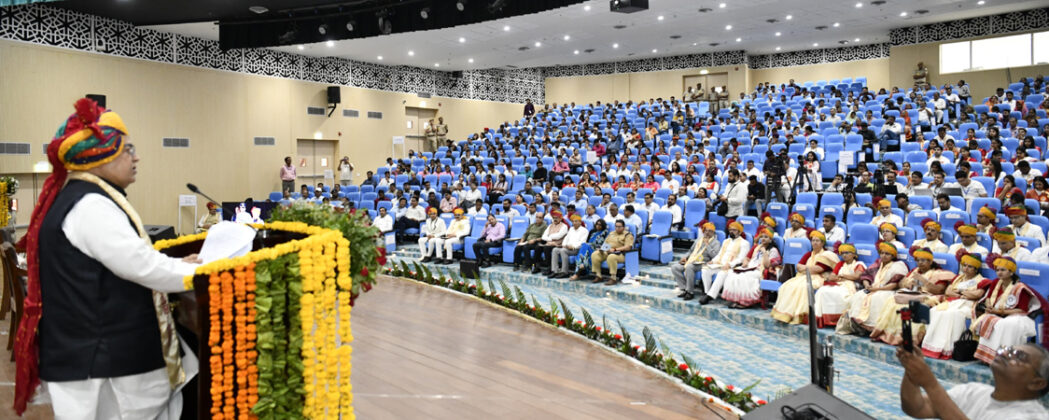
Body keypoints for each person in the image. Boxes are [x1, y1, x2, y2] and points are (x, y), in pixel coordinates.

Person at [14, 99, 201, 417]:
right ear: (99, 155)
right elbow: (141, 266)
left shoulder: (80, 196)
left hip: (95, 355)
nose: (136, 157)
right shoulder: (90, 205)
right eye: (128, 149)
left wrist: (180, 265)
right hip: (106, 360)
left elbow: (123, 260)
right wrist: (212, 270)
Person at [869, 247, 956, 345]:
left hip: (929, 297)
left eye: (923, 260)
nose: (920, 263)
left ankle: (909, 338)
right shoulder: (914, 271)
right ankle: (888, 335)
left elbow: (939, 290)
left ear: (930, 262)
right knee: (891, 302)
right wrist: (907, 284)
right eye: (918, 260)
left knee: (912, 306)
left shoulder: (939, 273)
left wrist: (923, 281)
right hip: (911, 294)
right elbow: (900, 283)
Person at [972, 255, 1049, 364]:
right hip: (999, 314)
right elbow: (988, 298)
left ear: (1011, 272)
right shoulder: (995, 282)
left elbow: (1022, 311)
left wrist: (1000, 312)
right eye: (997, 270)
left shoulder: (1019, 288)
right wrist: (989, 306)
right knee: (988, 320)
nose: (999, 273)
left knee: (1005, 324)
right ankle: (987, 358)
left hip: (1020, 317)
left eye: (1003, 270)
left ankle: (1005, 359)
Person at [921, 251, 989, 359]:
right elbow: (948, 291)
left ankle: (947, 349)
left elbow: (977, 294)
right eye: (964, 265)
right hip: (952, 302)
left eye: (970, 266)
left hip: (967, 305)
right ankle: (932, 347)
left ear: (976, 269)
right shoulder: (958, 278)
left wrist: (959, 292)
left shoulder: (982, 280)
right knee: (934, 311)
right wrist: (964, 293)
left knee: (952, 315)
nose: (966, 268)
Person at [771, 230, 840, 324]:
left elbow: (818, 269)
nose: (814, 243)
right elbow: (798, 266)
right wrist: (807, 268)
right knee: (786, 286)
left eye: (817, 241)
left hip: (818, 278)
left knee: (802, 287)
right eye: (813, 240)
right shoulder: (808, 254)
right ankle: (784, 314)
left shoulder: (827, 255)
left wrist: (805, 268)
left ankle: (798, 315)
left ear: (822, 243)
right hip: (803, 276)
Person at [721, 227, 781, 309]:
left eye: (766, 237)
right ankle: (736, 299)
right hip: (750, 267)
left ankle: (746, 302)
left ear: (770, 239)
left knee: (747, 277)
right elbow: (747, 258)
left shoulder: (773, 250)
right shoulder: (756, 247)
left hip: (760, 270)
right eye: (762, 236)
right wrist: (745, 263)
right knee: (732, 274)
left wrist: (764, 252)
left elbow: (767, 265)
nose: (763, 239)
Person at [813, 243, 867, 328]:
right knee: (822, 291)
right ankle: (824, 319)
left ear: (853, 254)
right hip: (839, 283)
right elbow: (831, 277)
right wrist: (843, 278)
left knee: (839, 294)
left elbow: (856, 276)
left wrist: (842, 276)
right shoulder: (840, 264)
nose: (844, 255)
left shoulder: (858, 264)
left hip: (852, 285)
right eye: (842, 253)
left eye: (847, 253)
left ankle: (838, 319)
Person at [699, 220, 750, 304]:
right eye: (730, 230)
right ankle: (706, 292)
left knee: (721, 274)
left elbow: (741, 259)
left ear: (739, 232)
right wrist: (713, 261)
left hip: (732, 267)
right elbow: (720, 254)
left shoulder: (745, 243)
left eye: (734, 230)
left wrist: (729, 264)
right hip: (720, 264)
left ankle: (710, 296)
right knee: (705, 269)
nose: (731, 232)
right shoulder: (726, 241)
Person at [672, 221, 720, 300]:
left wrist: (707, 245)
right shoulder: (698, 240)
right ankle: (684, 289)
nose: (707, 233)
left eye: (710, 231)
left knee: (690, 267)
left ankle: (690, 292)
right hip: (691, 260)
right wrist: (685, 257)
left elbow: (715, 256)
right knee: (675, 267)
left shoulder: (716, 243)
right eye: (706, 230)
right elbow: (690, 251)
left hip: (704, 263)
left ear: (713, 233)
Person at [591, 220, 635, 285]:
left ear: (623, 227)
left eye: (619, 227)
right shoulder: (611, 233)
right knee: (595, 254)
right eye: (616, 226)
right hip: (608, 251)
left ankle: (613, 278)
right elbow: (606, 244)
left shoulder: (628, 235)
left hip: (621, 254)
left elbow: (628, 247)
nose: (617, 228)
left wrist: (614, 249)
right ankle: (598, 276)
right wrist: (602, 249)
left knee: (611, 257)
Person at [535, 210, 569, 275]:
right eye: (554, 218)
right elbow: (543, 236)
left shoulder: (564, 226)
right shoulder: (550, 225)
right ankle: (537, 266)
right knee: (537, 247)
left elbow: (558, 236)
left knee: (546, 248)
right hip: (549, 243)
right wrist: (550, 239)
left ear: (561, 218)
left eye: (557, 218)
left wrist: (549, 238)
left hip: (558, 244)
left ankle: (550, 267)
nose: (555, 219)